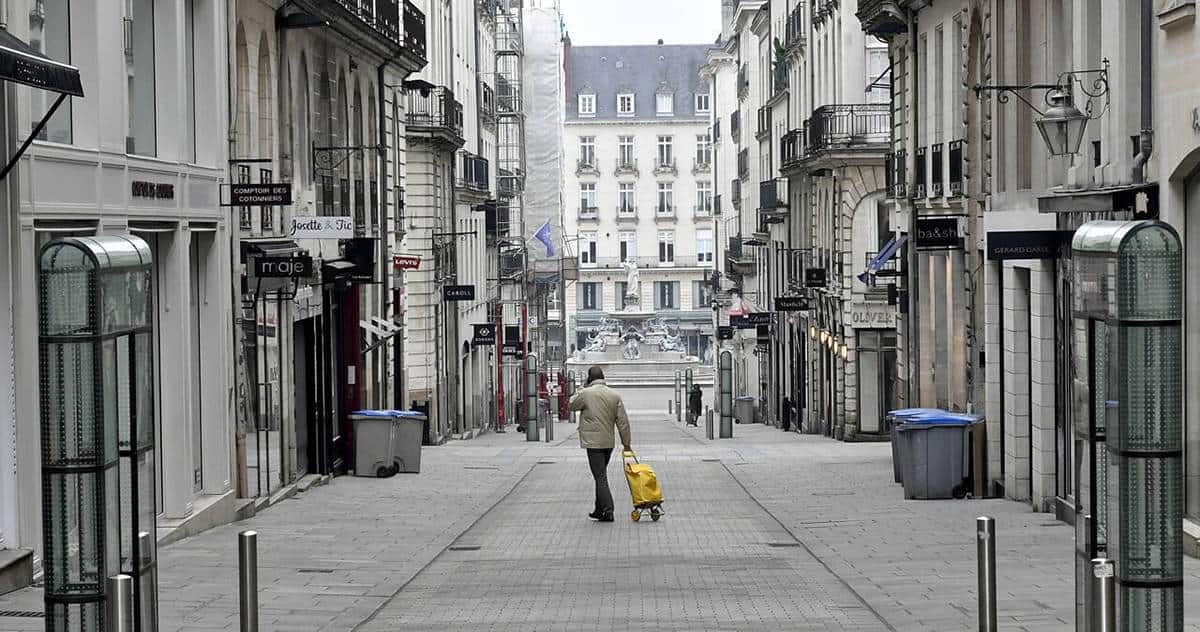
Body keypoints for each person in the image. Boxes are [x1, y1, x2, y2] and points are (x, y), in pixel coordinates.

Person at [568, 366, 632, 522]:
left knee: (600, 476)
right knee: (600, 474)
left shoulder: (586, 393)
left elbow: (571, 405)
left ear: (590, 378)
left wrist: (582, 387)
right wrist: (626, 443)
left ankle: (608, 510)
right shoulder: (614, 395)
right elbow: (623, 422)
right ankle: (598, 509)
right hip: (608, 442)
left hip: (593, 443)